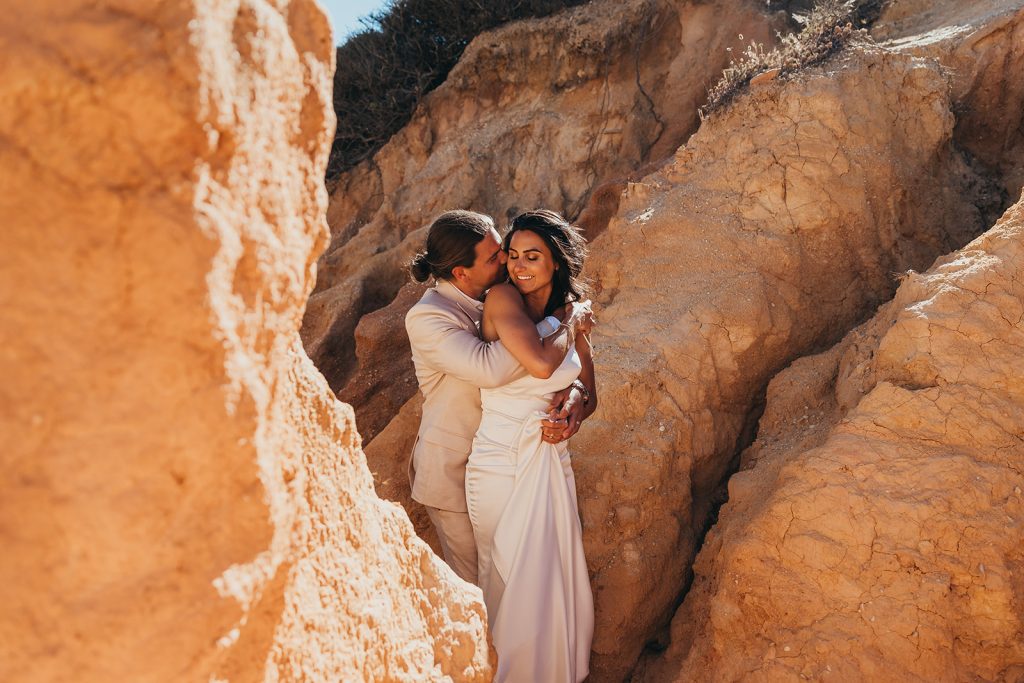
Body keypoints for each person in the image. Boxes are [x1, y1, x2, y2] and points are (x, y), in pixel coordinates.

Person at [404, 210, 593, 584]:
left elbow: (548, 371)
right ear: (461, 273)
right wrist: (559, 324)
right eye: (496, 257)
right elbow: (494, 369)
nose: (507, 260)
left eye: (502, 249)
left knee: (524, 582)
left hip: (515, 460)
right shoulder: (427, 317)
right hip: (454, 471)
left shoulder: (503, 299)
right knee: (480, 587)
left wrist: (575, 389)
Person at [466, 209, 596, 682]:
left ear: (556, 262)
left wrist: (573, 409)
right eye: (514, 255)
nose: (519, 266)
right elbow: (543, 366)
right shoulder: (501, 299)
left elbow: (587, 388)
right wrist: (571, 323)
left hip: (550, 458)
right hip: (500, 461)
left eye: (533, 256)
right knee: (506, 580)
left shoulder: (569, 311)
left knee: (549, 582)